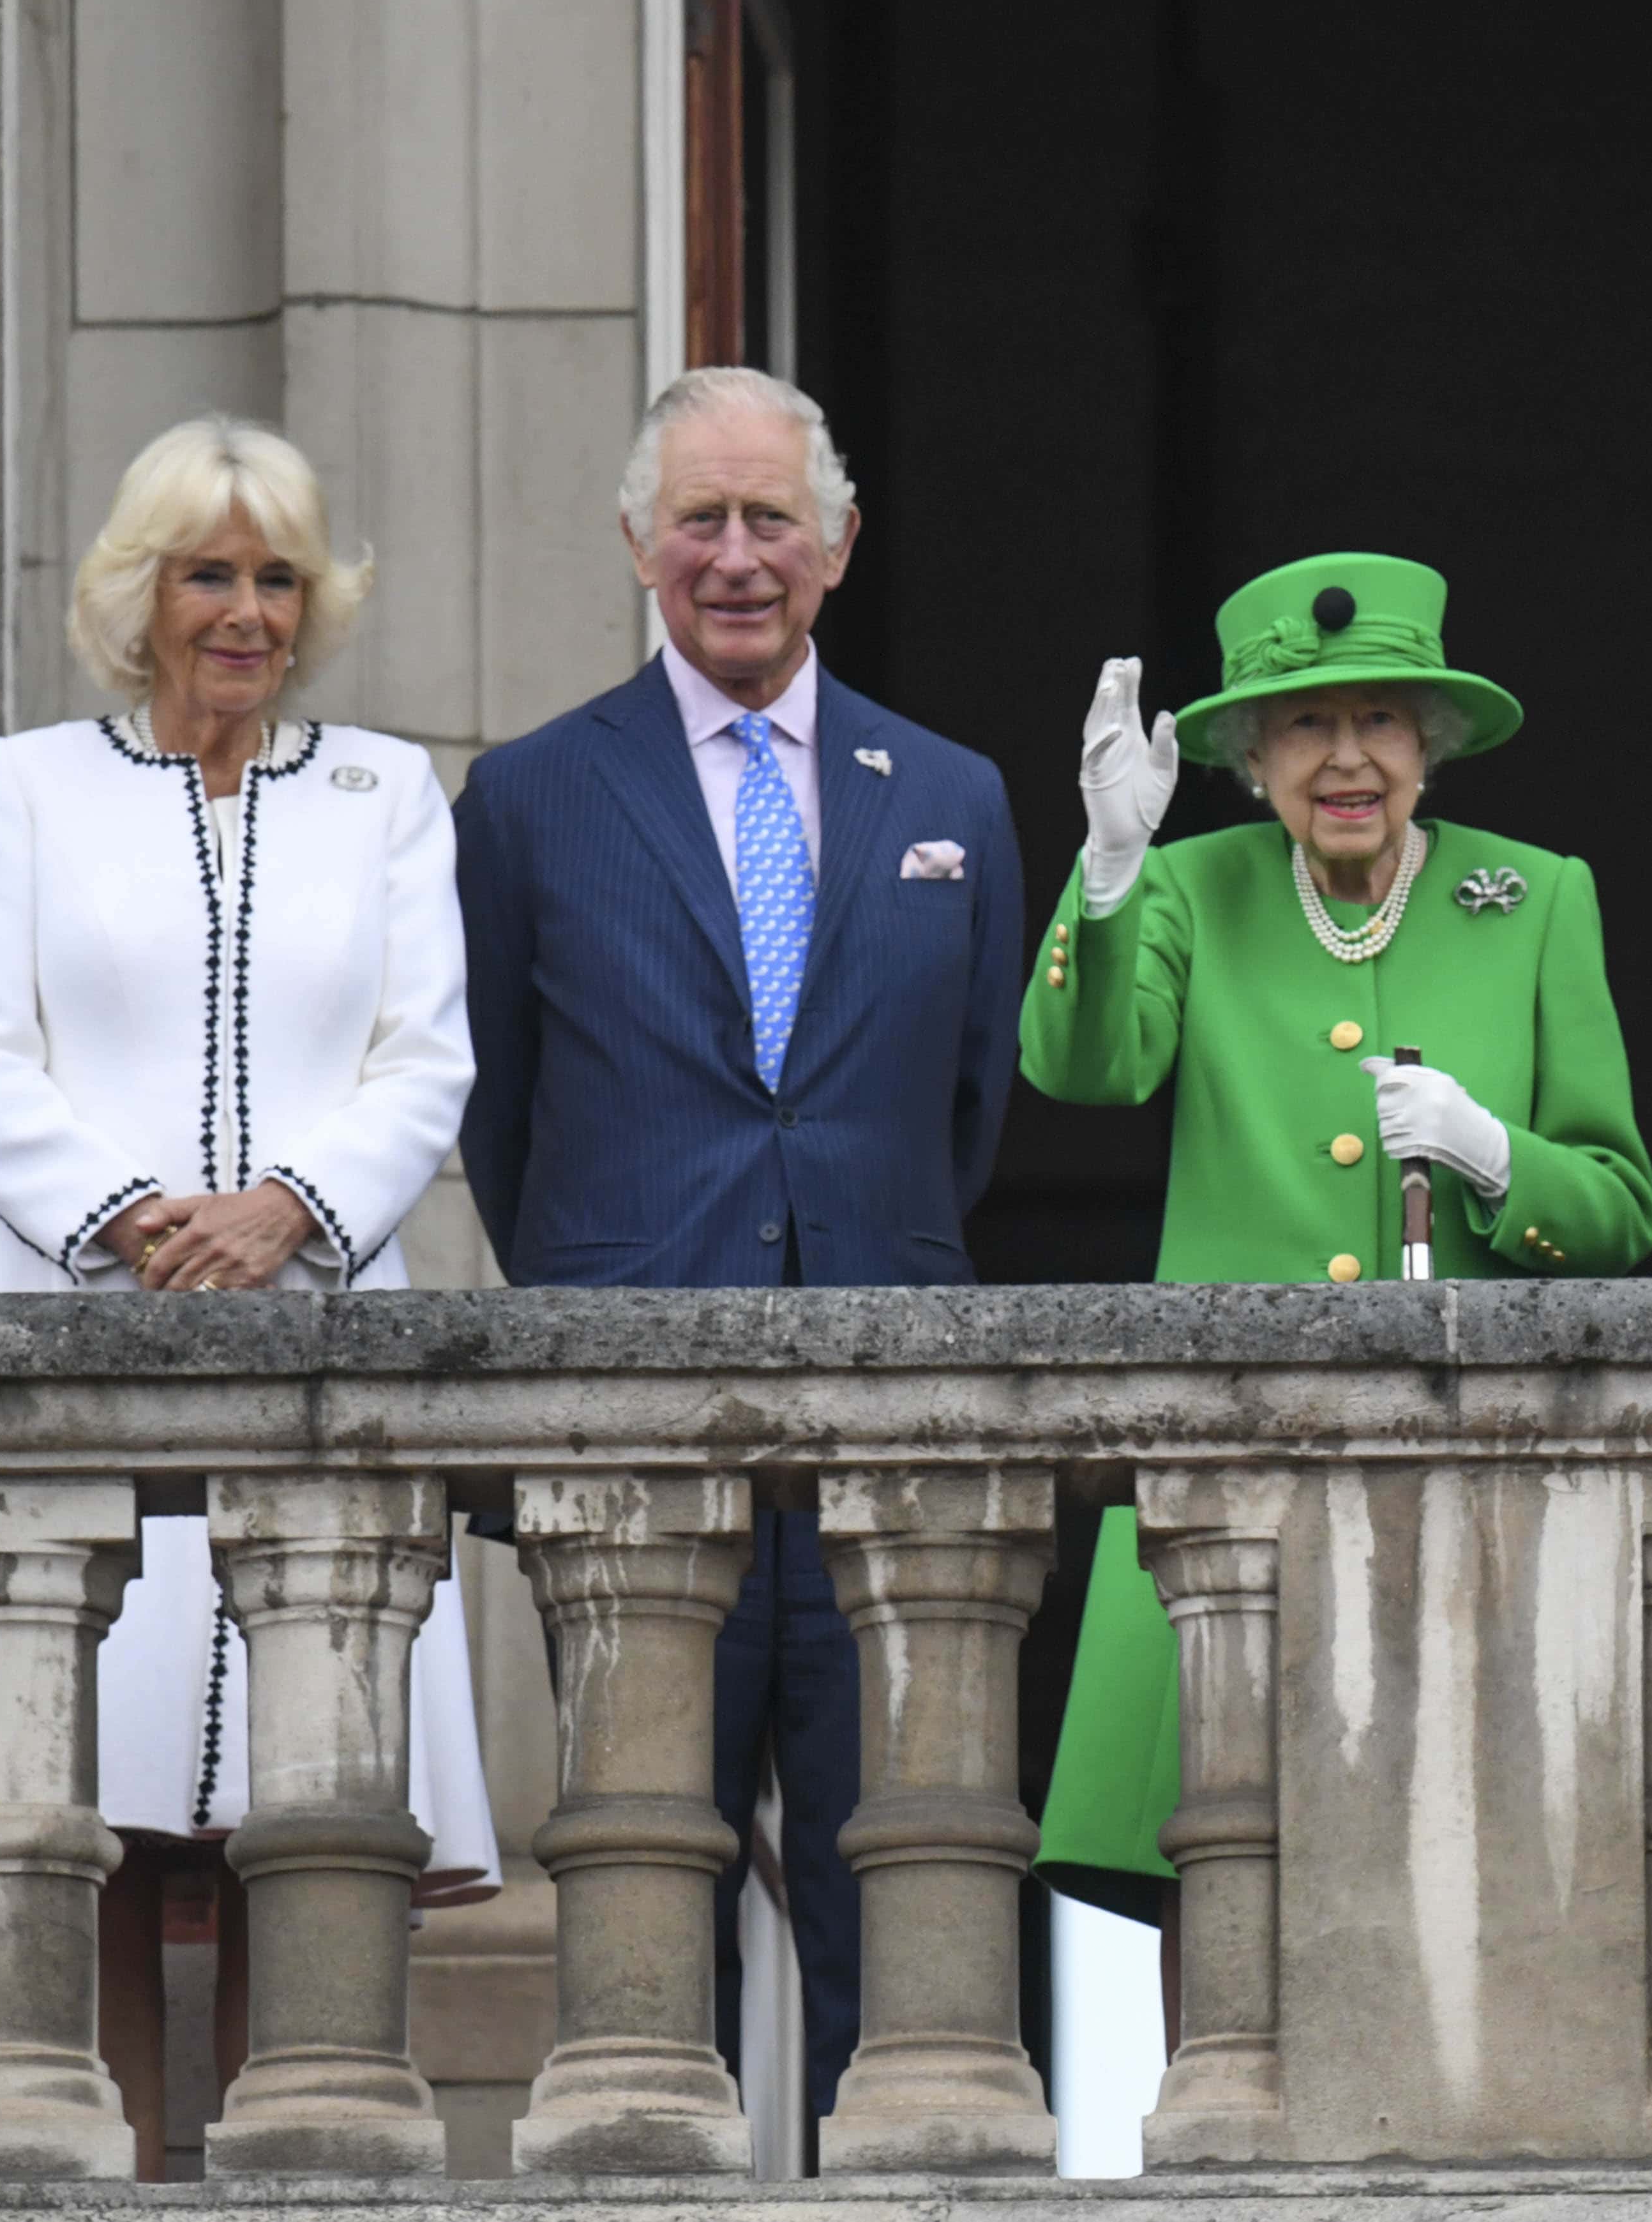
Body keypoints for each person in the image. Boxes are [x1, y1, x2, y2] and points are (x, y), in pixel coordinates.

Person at [0, 415, 498, 2178]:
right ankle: (134, 2184)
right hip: (79, 1326)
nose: (244, 611)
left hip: (315, 1326)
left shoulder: (383, 792)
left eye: (276, 576)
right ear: (140, 597)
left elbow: (422, 1060)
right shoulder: (32, 785)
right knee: (105, 1808)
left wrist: (286, 1208)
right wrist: (135, 1217)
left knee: (297, 1817)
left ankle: (288, 2184)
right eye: (209, 574)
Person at [451, 366, 1026, 2140]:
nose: (736, 555)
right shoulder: (532, 795)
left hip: (886, 1440)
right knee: (645, 1899)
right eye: (698, 518)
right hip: (634, 1432)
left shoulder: (955, 794)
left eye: (770, 516)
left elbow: (974, 1105)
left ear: (838, 544)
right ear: (640, 544)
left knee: (906, 1895)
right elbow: (502, 1111)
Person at [1021, 551, 1652, 1929]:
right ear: (1252, 754)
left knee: (1461, 1895)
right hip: (1232, 1464)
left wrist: (1495, 1156)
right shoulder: (1189, 887)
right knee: (1222, 1877)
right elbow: (1082, 1071)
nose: (1348, 757)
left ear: (1430, 741)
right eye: (1307, 724)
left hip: (1459, 1475)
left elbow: (1618, 1211)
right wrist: (1110, 869)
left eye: (1380, 721)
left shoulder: (1535, 897)